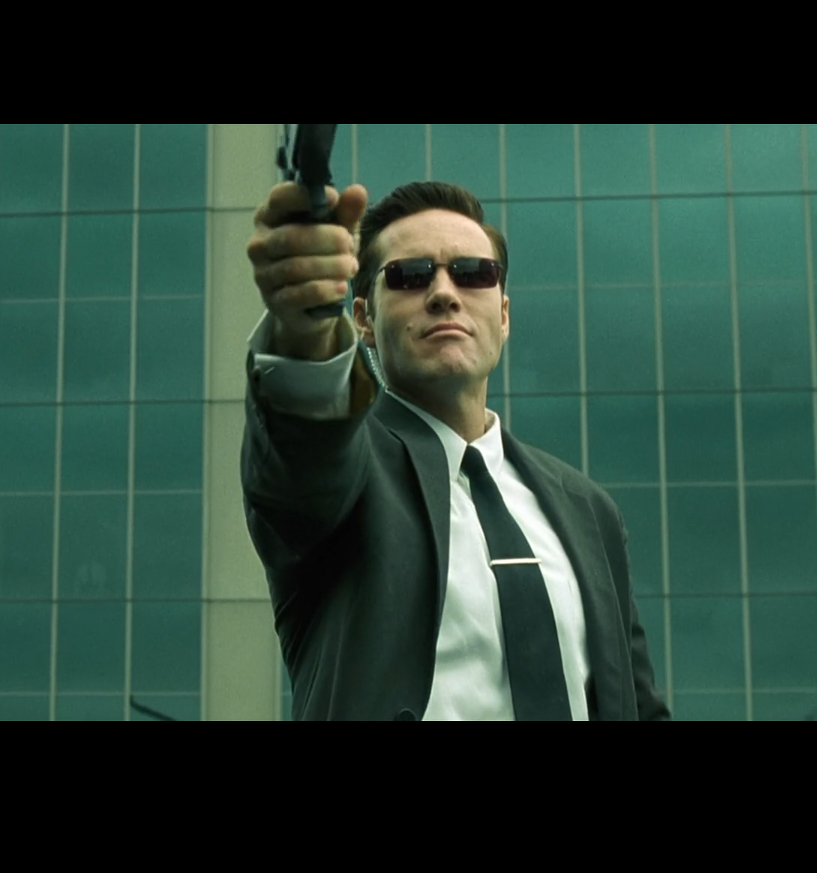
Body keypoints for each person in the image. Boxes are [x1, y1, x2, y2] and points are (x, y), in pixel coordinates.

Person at [243, 180, 670, 721]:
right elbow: (303, 446)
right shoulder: (345, 472)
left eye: (473, 274)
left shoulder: (589, 509)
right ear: (364, 319)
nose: (444, 293)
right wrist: (303, 328)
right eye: (410, 276)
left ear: (504, 314)